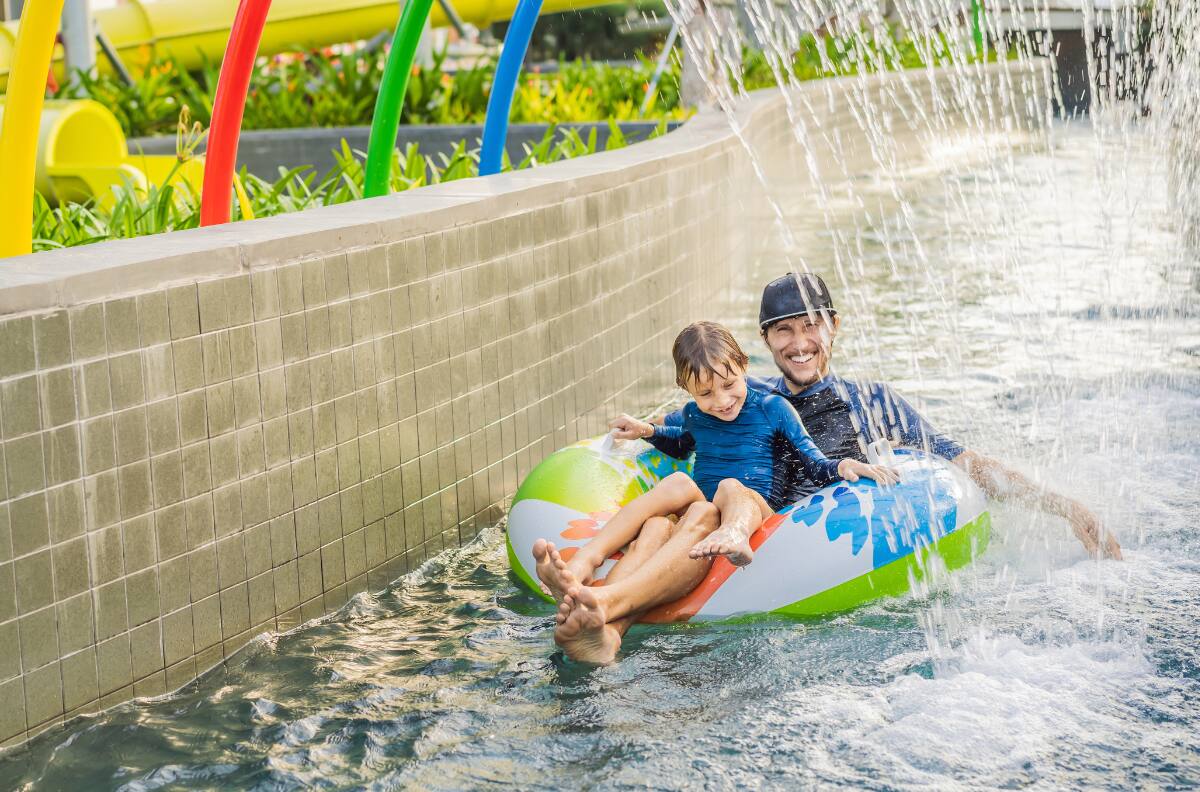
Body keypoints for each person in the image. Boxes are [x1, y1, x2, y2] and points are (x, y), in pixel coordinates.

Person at [547, 273, 1122, 663]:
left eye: (811, 325)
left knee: (704, 516)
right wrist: (640, 434)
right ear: (766, 341)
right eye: (784, 330)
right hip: (720, 527)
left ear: (833, 325)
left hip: (794, 550)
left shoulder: (871, 404)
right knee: (665, 522)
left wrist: (1064, 507)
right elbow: (679, 435)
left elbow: (965, 462)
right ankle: (604, 622)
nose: (800, 342)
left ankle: (605, 610)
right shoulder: (741, 394)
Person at [535, 319, 896, 662]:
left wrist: (844, 466)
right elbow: (681, 444)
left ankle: (609, 594)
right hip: (707, 514)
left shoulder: (773, 408)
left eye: (728, 385)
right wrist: (647, 431)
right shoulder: (695, 414)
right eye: (705, 393)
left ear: (743, 365)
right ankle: (596, 598)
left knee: (726, 487)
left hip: (754, 510)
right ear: (687, 390)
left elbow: (813, 461)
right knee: (662, 518)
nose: (721, 401)